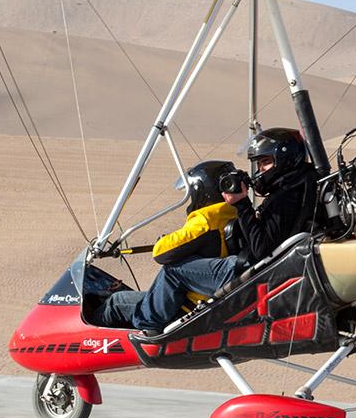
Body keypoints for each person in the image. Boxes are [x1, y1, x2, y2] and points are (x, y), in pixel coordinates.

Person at [104, 128, 318, 335]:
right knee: (122, 299)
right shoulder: (300, 186)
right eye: (259, 164)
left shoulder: (285, 197)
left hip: (247, 272)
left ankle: (146, 327)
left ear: (285, 159)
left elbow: (261, 248)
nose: (260, 170)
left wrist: (243, 205)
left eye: (265, 162)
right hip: (255, 270)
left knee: (173, 271)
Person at [98, 160, 237, 328]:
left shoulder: (207, 220)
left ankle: (98, 341)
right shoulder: (233, 214)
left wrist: (163, 240)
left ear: (202, 191)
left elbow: (161, 253)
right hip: (203, 297)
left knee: (116, 302)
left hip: (186, 306)